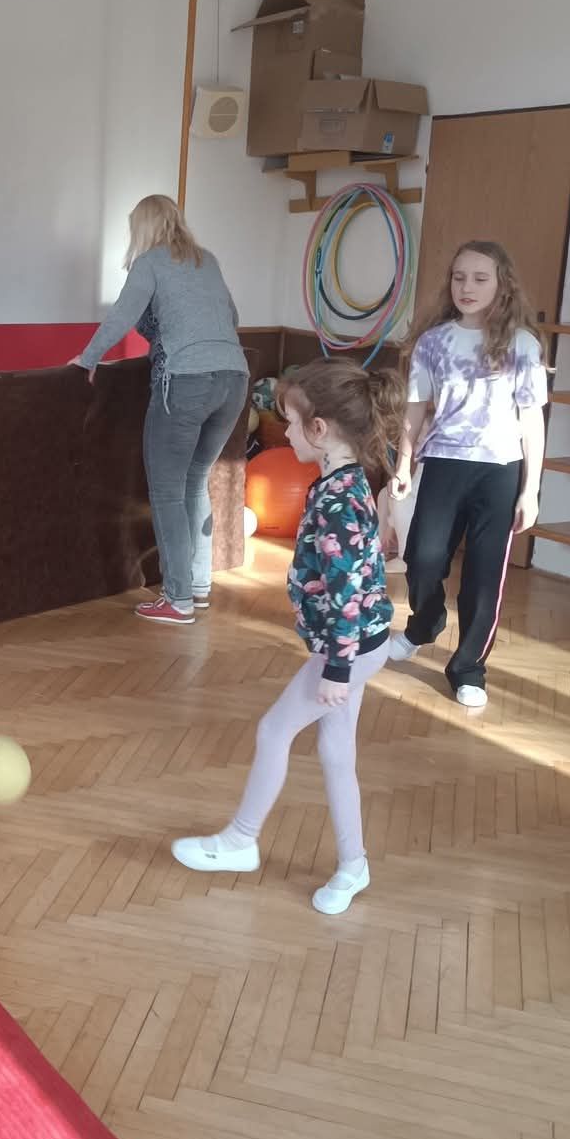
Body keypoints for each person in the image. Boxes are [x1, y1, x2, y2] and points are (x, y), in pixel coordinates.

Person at [171, 357, 402, 916]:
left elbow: (348, 594)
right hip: (359, 644)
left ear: (319, 430)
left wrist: (338, 671)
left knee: (274, 731)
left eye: (293, 423)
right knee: (335, 752)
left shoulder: (339, 500)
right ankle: (353, 864)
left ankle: (240, 839)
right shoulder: (341, 482)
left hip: (347, 649)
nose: (287, 432)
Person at [72, 194, 250, 624]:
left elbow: (122, 314)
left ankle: (177, 598)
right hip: (235, 378)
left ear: (143, 228)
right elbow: (231, 317)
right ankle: (198, 586)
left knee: (168, 491)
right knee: (195, 480)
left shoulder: (149, 262)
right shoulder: (206, 260)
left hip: (186, 381)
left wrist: (87, 360)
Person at [388, 240, 548, 710]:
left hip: (499, 471)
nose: (467, 287)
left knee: (484, 575)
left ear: (502, 285)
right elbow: (415, 409)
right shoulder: (433, 342)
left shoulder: (523, 345)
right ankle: (424, 623)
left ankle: (469, 668)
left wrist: (530, 490)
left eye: (480, 278)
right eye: (459, 277)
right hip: (443, 463)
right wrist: (402, 463)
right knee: (423, 558)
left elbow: (532, 422)